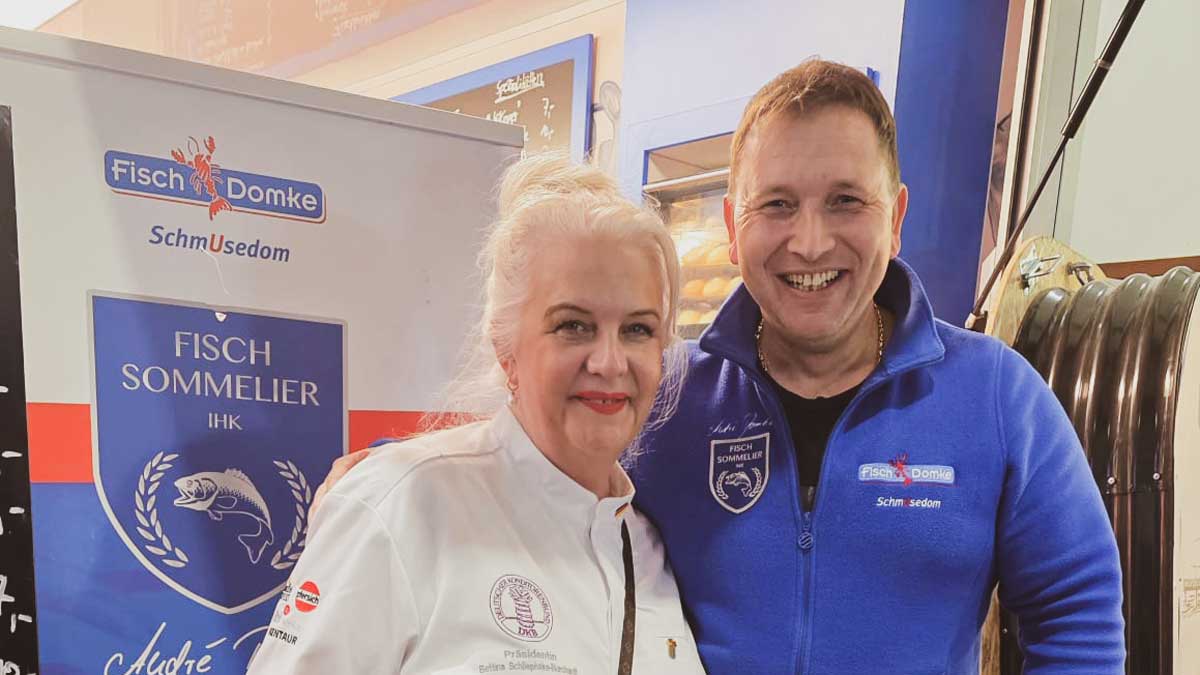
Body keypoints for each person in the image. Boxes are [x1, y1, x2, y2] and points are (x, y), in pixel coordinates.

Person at [311, 60, 1125, 674]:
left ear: (897, 216)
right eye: (778, 204)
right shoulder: (665, 393)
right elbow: (544, 455)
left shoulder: (997, 397)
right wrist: (404, 472)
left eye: (846, 200)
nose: (810, 241)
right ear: (734, 227)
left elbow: (1077, 613)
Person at [247, 153, 707, 673]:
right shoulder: (400, 507)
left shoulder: (648, 549)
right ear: (507, 348)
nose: (608, 362)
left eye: (637, 329)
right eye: (573, 326)